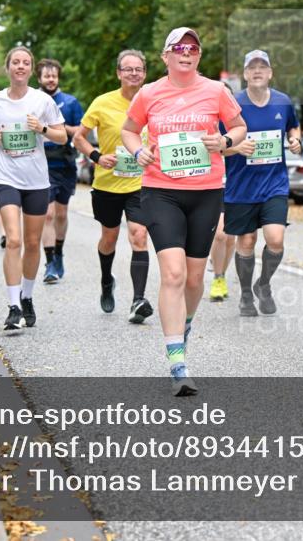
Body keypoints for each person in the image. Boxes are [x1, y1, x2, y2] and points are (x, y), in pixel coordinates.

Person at [121, 27, 246, 396]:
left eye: (193, 48)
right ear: (166, 56)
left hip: (206, 192)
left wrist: (223, 140)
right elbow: (130, 131)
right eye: (179, 48)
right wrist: (136, 150)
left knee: (194, 279)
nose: (186, 53)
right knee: (173, 274)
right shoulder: (149, 93)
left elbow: (239, 128)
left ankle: (184, 326)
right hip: (161, 191)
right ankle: (178, 360)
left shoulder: (215, 91)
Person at [0, 46, 66, 331]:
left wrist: (41, 129)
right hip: (4, 176)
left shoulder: (42, 101)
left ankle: (28, 297)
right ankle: (13, 306)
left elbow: (62, 136)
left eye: (25, 63)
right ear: (8, 67)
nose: (20, 66)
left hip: (36, 180)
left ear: (31, 70)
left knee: (32, 242)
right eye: (15, 62)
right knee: (13, 240)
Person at [73, 49, 154, 322]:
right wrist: (96, 156)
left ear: (144, 73)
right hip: (107, 183)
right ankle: (107, 280)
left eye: (139, 69)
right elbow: (79, 138)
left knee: (139, 235)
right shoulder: (102, 102)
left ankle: (138, 300)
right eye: (128, 69)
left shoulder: (153, 102)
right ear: (119, 73)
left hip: (140, 183)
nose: (134, 73)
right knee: (109, 238)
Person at [222, 50, 301, 316]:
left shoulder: (282, 101)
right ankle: (245, 294)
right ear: (245, 74)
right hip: (241, 185)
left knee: (275, 238)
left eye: (262, 67)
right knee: (246, 241)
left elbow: (293, 127)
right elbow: (219, 147)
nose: (257, 71)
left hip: (273, 184)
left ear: (270, 73)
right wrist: (237, 148)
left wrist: (295, 140)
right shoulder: (233, 104)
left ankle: (263, 284)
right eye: (252, 67)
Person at [37, 59, 84, 284]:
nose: (51, 79)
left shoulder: (70, 102)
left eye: (54, 75)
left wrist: (59, 127)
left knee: (62, 214)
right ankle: (49, 264)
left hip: (65, 163)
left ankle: (58, 252)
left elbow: (81, 132)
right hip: (41, 164)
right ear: (39, 79)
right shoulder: (33, 102)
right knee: (47, 214)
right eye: (46, 75)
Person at [207, 213, 235, 302]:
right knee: (220, 234)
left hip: (236, 200)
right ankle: (217, 277)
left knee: (230, 238)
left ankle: (222, 276)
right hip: (216, 199)